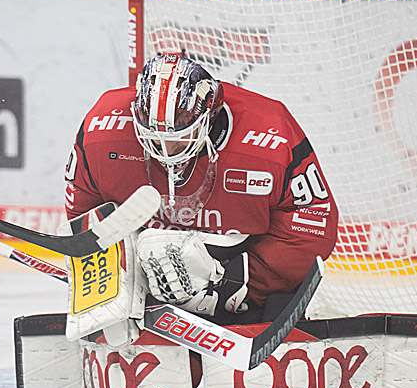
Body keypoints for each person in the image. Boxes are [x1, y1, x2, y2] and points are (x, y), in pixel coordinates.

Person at [64, 52, 339, 325]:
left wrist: (240, 280)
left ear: (209, 118)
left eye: (181, 138)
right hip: (150, 285)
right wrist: (119, 273)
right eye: (154, 139)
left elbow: (313, 224)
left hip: (245, 292)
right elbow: (85, 214)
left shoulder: (270, 137)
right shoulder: (101, 131)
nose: (166, 152)